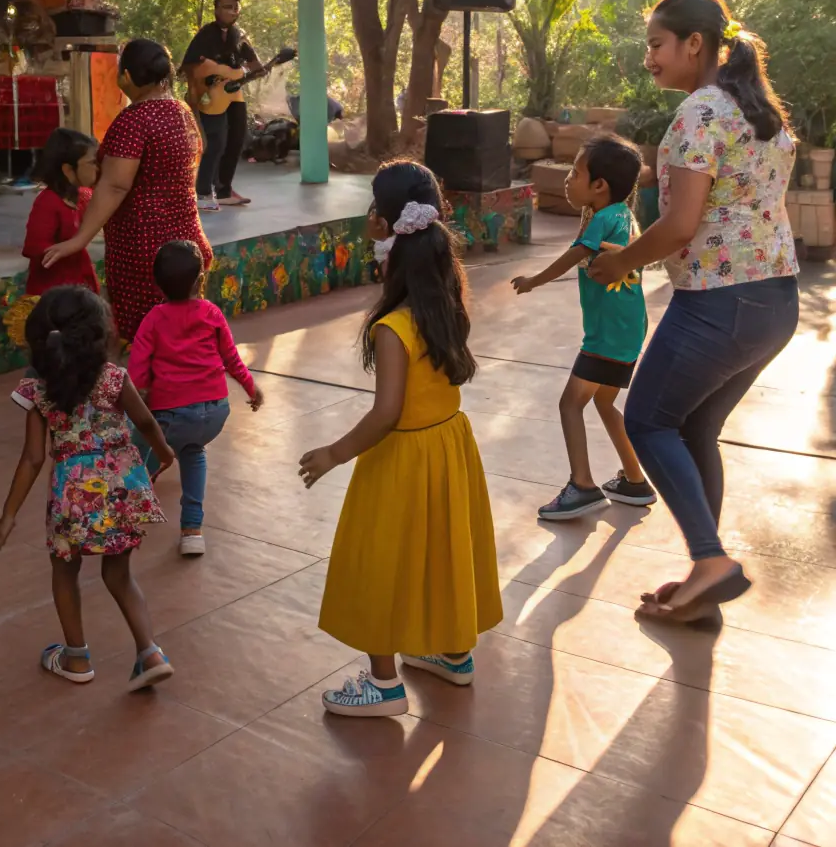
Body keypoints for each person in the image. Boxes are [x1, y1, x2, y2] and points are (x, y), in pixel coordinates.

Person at [589, 0, 799, 625]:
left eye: (656, 44)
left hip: (718, 304)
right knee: (695, 428)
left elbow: (681, 225)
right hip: (774, 304)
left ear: (695, 45)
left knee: (649, 421)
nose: (648, 57)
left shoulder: (698, 113)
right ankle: (702, 589)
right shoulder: (758, 111)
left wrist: (621, 261)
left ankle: (710, 560)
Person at [299, 160, 501, 717]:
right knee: (441, 551)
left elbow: (385, 412)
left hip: (403, 455)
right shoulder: (449, 294)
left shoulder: (392, 329)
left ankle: (384, 684)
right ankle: (454, 655)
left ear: (385, 226)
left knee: (380, 561)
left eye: (373, 209)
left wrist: (335, 453)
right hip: (449, 445)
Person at [0, 286, 176, 689]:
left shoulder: (37, 390)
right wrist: (163, 452)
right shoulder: (113, 378)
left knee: (64, 570)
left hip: (73, 497)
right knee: (120, 575)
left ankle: (76, 659)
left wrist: (8, 515)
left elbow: (33, 458)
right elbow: (144, 422)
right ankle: (151, 652)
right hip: (121, 489)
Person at [512, 136, 656, 520]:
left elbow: (573, 255)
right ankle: (634, 480)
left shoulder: (605, 218)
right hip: (627, 328)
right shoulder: (620, 215)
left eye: (575, 173)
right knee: (604, 401)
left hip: (607, 333)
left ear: (599, 185)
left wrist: (534, 280)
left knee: (570, 403)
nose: (567, 180)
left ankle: (583, 485)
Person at [42, 40, 213, 345]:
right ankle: (190, 387)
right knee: (185, 333)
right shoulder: (182, 111)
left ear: (127, 77)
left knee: (148, 337)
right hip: (188, 244)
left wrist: (80, 239)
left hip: (145, 251)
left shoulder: (134, 120)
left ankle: (142, 390)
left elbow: (115, 184)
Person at [128, 240, 265, 556]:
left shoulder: (154, 319)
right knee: (193, 452)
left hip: (171, 415)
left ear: (157, 284)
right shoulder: (212, 313)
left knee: (138, 445)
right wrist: (251, 388)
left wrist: (131, 404)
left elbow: (136, 373)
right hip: (215, 412)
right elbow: (231, 358)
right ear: (200, 281)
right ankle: (192, 531)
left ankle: (129, 507)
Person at [5, 128, 100, 350]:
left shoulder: (85, 196)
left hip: (79, 288)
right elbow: (35, 248)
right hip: (54, 295)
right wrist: (64, 249)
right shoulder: (47, 203)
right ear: (68, 169)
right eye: (91, 162)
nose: (97, 168)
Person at [181, 0, 262, 210]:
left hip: (233, 93)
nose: (232, 11)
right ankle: (203, 191)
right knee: (213, 142)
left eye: (235, 7)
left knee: (237, 138)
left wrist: (242, 72)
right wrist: (215, 73)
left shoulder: (239, 35)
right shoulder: (206, 34)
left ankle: (224, 189)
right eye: (226, 7)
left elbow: (255, 65)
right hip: (210, 95)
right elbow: (189, 67)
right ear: (216, 9)